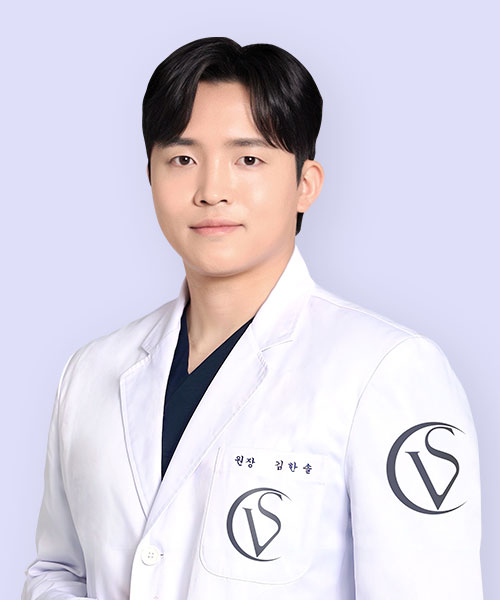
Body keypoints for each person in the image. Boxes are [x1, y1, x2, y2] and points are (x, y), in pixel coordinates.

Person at [22, 36, 483, 599]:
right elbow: (58, 571)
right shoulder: (92, 371)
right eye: (183, 159)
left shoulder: (386, 371)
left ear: (305, 185)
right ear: (150, 176)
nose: (212, 190)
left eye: (248, 159)